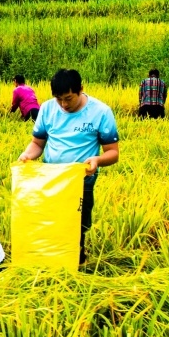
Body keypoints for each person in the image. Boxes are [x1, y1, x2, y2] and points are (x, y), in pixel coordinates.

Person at [17, 68, 119, 266]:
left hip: (81, 181)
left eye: (68, 98)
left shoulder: (101, 112)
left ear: (81, 89)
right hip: (51, 179)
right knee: (49, 223)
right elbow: (37, 143)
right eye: (58, 99)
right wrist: (27, 155)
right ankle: (49, 263)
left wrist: (97, 161)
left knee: (77, 228)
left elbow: (113, 152)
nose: (63, 104)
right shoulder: (47, 109)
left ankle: (76, 265)